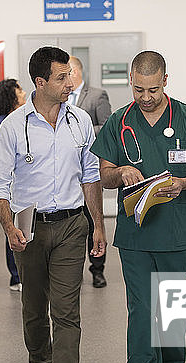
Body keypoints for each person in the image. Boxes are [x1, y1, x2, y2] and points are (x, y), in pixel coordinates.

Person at [90, 51, 186, 363]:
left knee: (172, 312)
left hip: (178, 235)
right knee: (140, 311)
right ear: (130, 83)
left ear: (165, 80)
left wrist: (183, 183)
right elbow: (103, 175)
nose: (145, 97)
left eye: (152, 89)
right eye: (138, 89)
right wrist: (120, 173)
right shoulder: (118, 123)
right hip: (135, 236)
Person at [0, 46, 107, 363]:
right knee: (34, 309)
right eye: (61, 77)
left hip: (72, 225)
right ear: (40, 83)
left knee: (67, 312)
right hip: (31, 228)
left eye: (69, 74)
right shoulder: (13, 127)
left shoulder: (80, 122)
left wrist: (98, 224)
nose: (70, 82)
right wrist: (10, 227)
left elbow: (90, 176)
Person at [68, 56, 112, 288]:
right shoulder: (60, 99)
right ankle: (72, 271)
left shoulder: (97, 95)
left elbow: (107, 127)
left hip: (90, 169)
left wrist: (80, 129)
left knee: (93, 220)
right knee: (73, 225)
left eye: (66, 73)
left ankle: (97, 270)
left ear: (75, 72)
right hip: (67, 173)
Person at [0, 78, 27, 291]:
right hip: (10, 188)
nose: (23, 93)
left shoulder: (16, 120)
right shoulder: (3, 124)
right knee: (11, 229)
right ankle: (16, 277)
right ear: (11, 95)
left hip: (19, 187)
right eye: (19, 90)